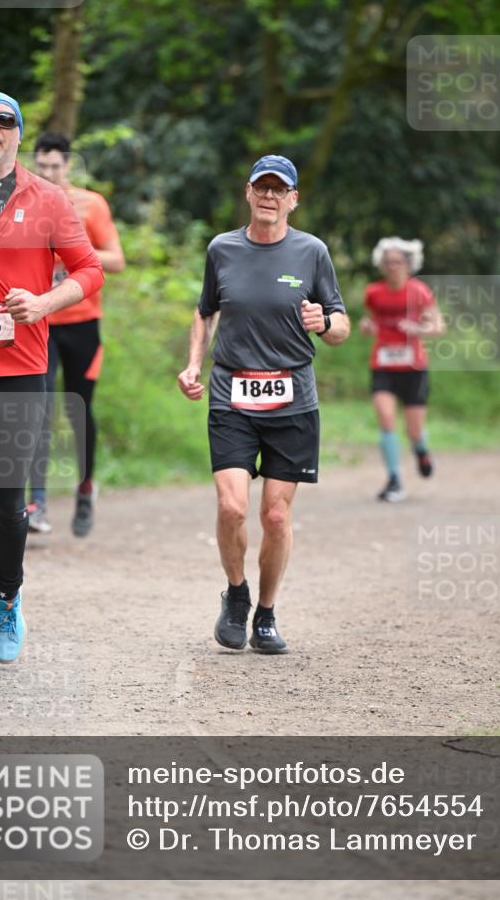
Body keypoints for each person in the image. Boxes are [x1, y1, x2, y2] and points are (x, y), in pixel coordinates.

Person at [0, 91, 104, 680]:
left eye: (5, 121)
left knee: (8, 505)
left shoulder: (49, 199)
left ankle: (7, 597)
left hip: (19, 369)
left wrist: (43, 303)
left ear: (17, 135)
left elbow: (90, 270)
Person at [178, 154, 350, 654]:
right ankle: (236, 595)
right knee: (232, 506)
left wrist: (324, 324)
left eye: (280, 189)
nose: (269, 196)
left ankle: (267, 614)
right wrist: (194, 363)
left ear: (293, 199)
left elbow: (341, 326)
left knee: (275, 516)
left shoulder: (312, 252)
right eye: (262, 187)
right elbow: (205, 312)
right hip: (232, 394)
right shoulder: (222, 249)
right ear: (249, 193)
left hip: (292, 401)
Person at [26, 132, 125, 537]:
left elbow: (116, 260)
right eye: (42, 166)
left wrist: (72, 246)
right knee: (39, 409)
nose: (48, 173)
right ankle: (37, 503)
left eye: (55, 166)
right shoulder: (23, 203)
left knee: (77, 410)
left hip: (83, 323)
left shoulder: (90, 204)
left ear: (68, 166)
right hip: (40, 322)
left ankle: (85, 489)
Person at [360, 237, 444, 502]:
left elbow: (438, 326)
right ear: (382, 266)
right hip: (383, 365)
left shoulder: (419, 292)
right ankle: (394, 480)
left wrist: (418, 329)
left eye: (398, 262)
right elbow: (371, 321)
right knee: (386, 419)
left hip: (413, 367)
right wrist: (367, 327)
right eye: (388, 262)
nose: (393, 266)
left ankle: (421, 450)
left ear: (408, 264)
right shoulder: (373, 293)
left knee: (414, 430)